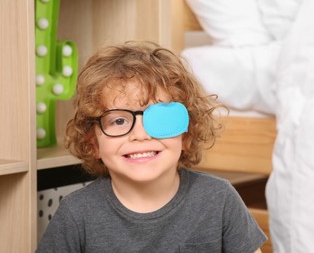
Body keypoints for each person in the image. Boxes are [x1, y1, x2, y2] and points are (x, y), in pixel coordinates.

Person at [36, 41, 267, 252]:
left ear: (186, 135)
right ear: (93, 143)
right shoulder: (77, 213)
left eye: (159, 119)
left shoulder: (218, 199)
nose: (140, 135)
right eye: (118, 121)